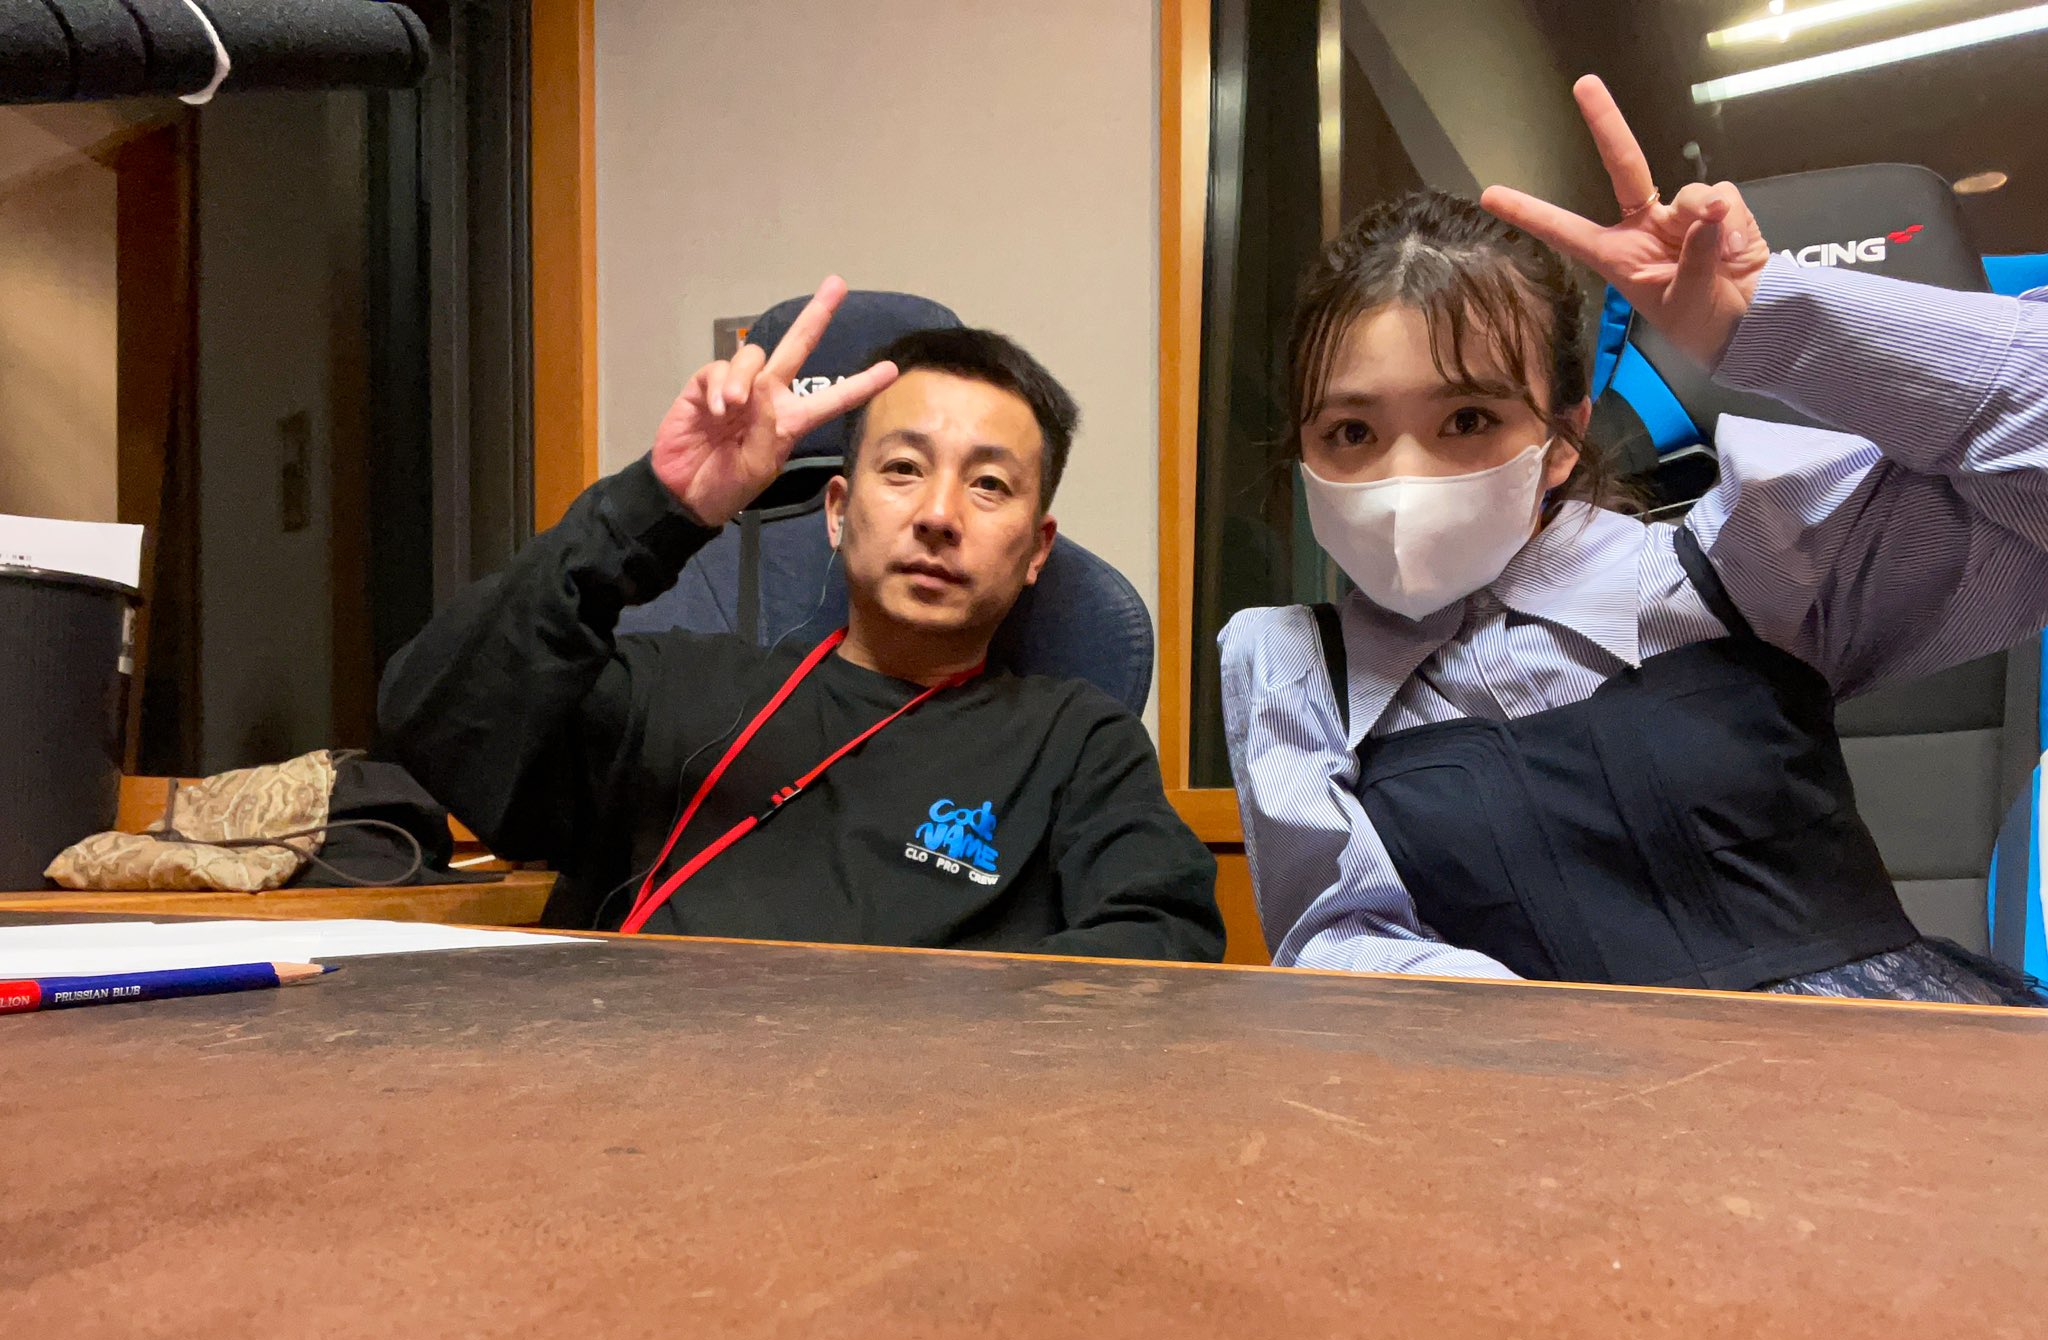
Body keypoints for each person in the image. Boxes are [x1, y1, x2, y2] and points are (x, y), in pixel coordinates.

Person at [1221, 77, 2048, 1003]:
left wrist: (1766, 321)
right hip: (1544, 1082)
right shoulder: (1296, 672)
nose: (1402, 480)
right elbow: (1343, 940)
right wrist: (1594, 1057)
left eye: (1467, 419)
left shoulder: (1743, 562)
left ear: (1563, 438)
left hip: (1892, 1063)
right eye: (1351, 432)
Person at [381, 279, 1223, 961]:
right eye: (904, 468)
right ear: (837, 511)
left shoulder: (1076, 744)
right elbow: (436, 722)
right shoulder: (673, 689)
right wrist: (656, 505)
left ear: (1037, 549)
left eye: (989, 484)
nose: (939, 514)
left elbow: (1165, 938)